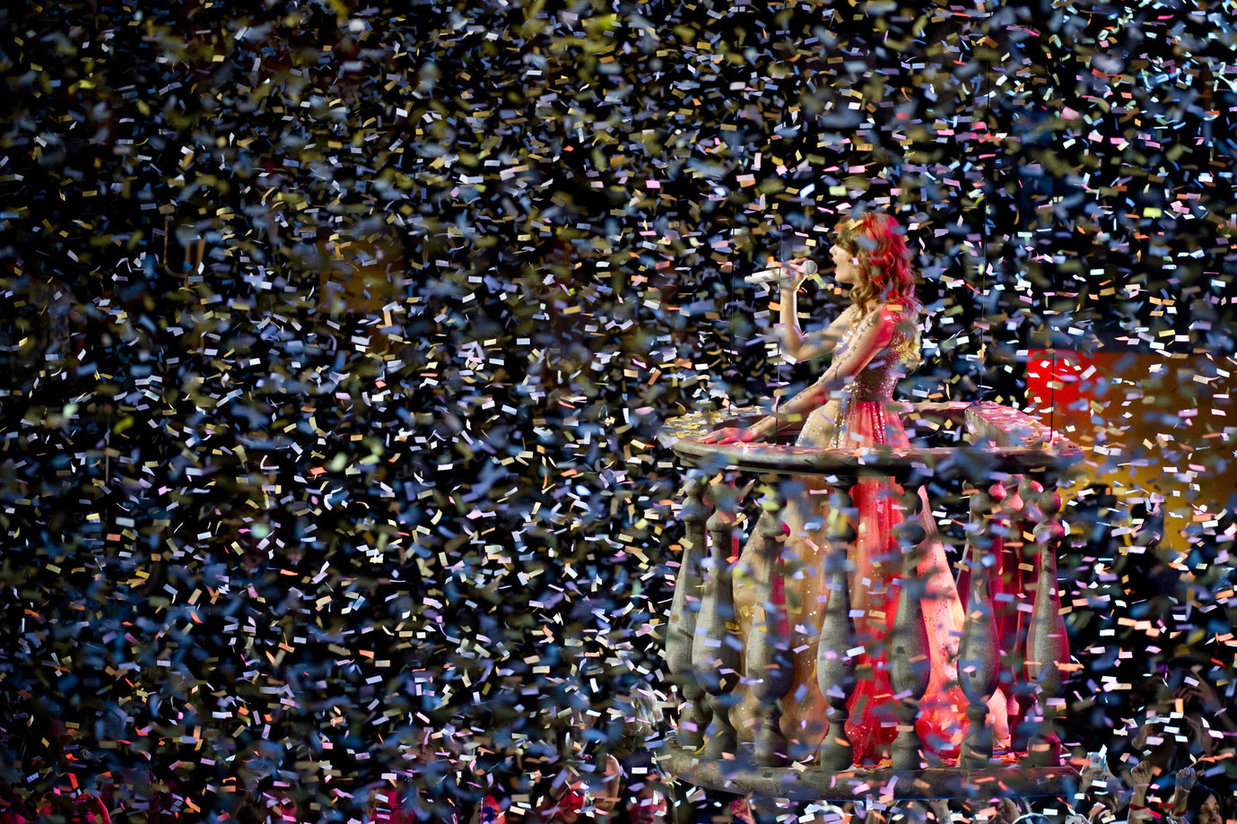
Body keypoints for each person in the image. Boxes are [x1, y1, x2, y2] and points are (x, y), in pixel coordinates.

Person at [701, 212, 1005, 764]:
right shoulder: (864, 309)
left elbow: (827, 385)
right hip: (832, 439)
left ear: (864, 257)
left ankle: (849, 712)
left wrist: (760, 431)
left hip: (862, 436)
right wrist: (788, 294)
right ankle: (802, 701)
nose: (833, 261)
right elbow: (797, 351)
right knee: (809, 572)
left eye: (840, 253)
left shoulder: (889, 316)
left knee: (861, 574)